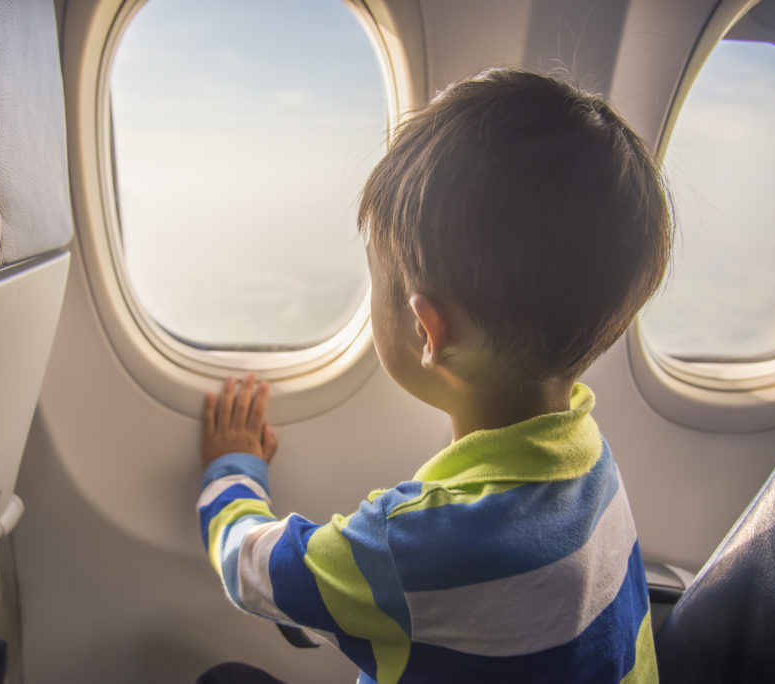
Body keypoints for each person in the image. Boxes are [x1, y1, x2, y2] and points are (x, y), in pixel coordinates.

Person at [196, 67, 671, 683]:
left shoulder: (411, 548)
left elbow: (250, 569)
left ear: (427, 330)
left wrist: (231, 468)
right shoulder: (592, 463)